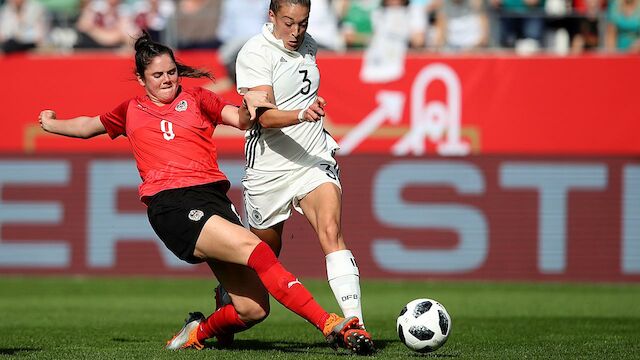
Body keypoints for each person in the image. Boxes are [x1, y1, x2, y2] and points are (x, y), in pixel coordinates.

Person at [37, 31, 374, 355]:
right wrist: (53, 124)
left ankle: (196, 332)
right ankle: (332, 325)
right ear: (142, 80)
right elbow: (87, 126)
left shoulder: (198, 98)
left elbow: (240, 119)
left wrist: (250, 106)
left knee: (253, 309)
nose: (168, 80)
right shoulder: (130, 110)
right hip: (171, 204)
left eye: (172, 72)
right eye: (157, 75)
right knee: (256, 250)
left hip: (213, 201)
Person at [234, 0, 368, 337]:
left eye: (303, 23)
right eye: (288, 23)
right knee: (261, 260)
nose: (296, 32)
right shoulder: (255, 53)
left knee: (331, 230)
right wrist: (302, 113)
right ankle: (228, 306)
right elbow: (262, 117)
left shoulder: (310, 44)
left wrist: (310, 115)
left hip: (311, 156)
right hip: (270, 168)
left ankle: (356, 326)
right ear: (272, 16)